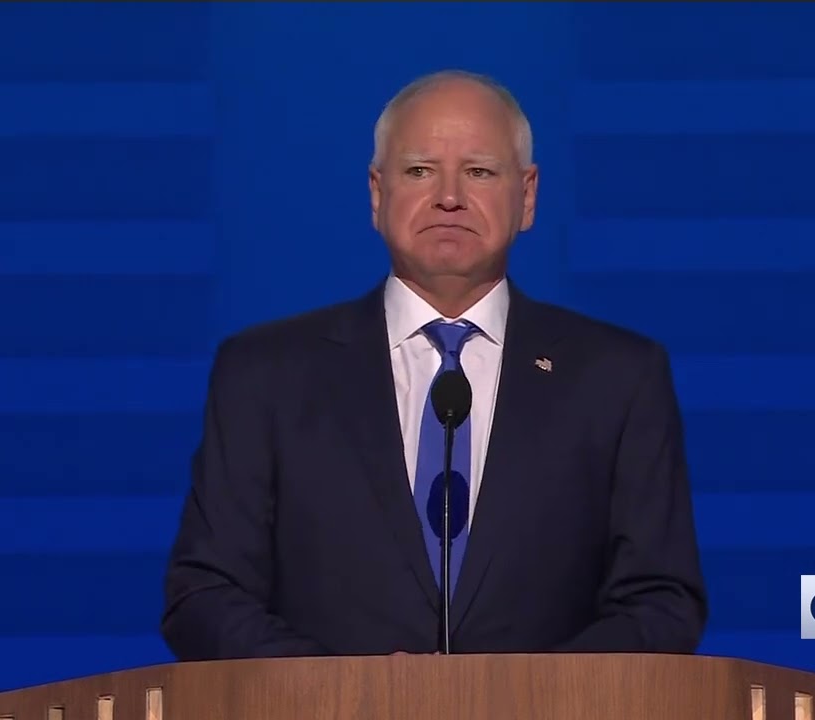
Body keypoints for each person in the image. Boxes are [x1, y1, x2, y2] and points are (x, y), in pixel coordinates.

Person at [161, 69, 707, 659]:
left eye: (479, 171)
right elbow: (205, 595)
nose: (449, 196)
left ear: (527, 197)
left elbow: (661, 603)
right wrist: (348, 698)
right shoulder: (264, 375)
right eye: (420, 170)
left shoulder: (618, 378)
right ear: (377, 193)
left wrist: (525, 698)